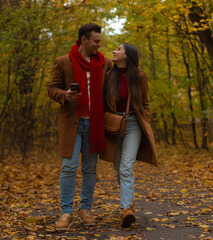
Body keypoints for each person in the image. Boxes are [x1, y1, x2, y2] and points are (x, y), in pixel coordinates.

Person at [48, 23, 112, 231]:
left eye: (100, 41)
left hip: (94, 125)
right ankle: (66, 212)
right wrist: (65, 95)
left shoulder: (105, 64)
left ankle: (86, 209)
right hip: (72, 124)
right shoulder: (63, 62)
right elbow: (51, 89)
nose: (99, 45)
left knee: (90, 169)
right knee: (68, 167)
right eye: (96, 41)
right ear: (84, 40)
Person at [101, 43, 158, 228]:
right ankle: (130, 203)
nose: (114, 51)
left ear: (128, 55)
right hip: (113, 125)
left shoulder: (139, 76)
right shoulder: (109, 76)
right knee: (119, 168)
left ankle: (126, 209)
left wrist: (145, 122)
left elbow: (145, 103)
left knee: (126, 167)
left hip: (133, 125)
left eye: (119, 49)